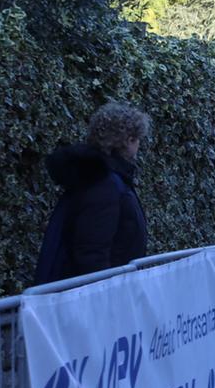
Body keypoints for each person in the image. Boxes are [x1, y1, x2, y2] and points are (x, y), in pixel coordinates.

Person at [36, 103, 151, 284]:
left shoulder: (99, 177)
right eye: (137, 139)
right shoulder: (105, 185)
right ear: (128, 140)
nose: (138, 145)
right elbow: (92, 251)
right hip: (103, 296)